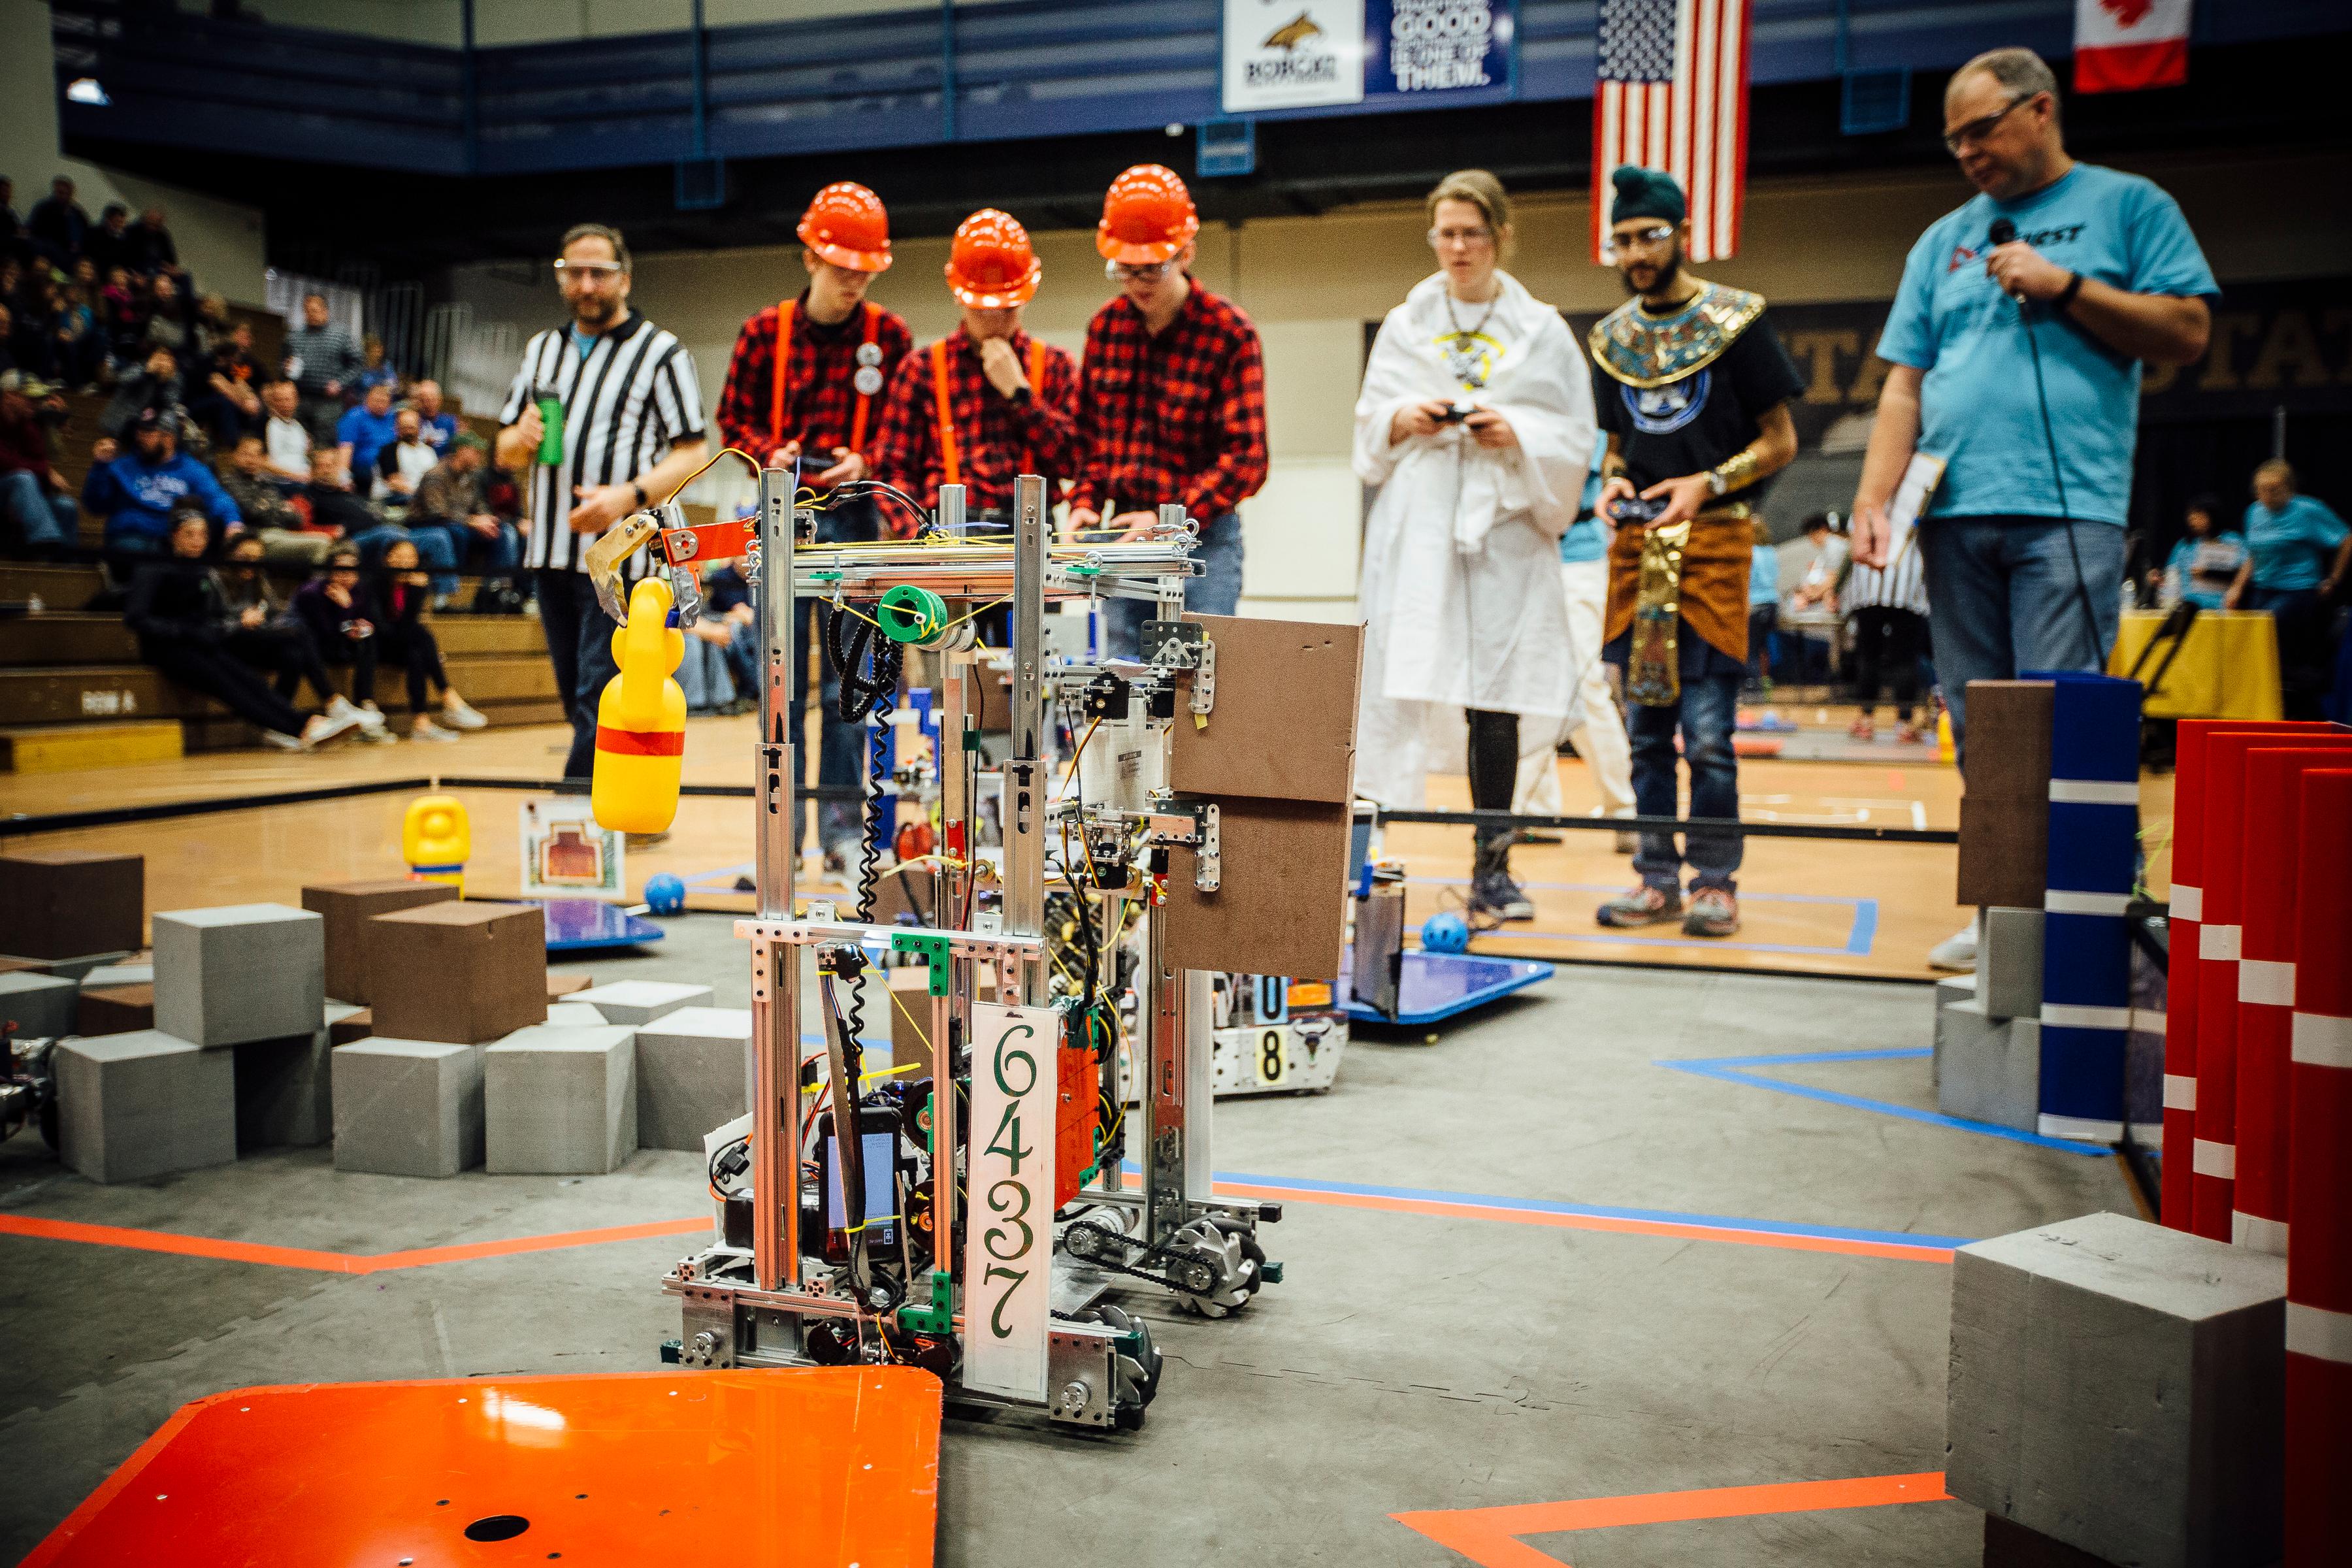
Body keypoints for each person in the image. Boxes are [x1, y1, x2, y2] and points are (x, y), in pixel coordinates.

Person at [1846, 48, 2217, 972]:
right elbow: (1904, 385)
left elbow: (2187, 332)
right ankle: (2004, 920)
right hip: (1953, 516)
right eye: (1954, 140)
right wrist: (1872, 498)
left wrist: (2069, 288)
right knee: (1978, 725)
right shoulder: (1944, 240)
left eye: (1982, 130)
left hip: (2069, 511)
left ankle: (2094, 920)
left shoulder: (2129, 206)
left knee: (2064, 724)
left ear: (2041, 110)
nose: (1967, 152)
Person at [1353, 170, 1596, 921]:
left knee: (1497, 696)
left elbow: (1575, 431)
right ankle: (1371, 864)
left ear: (1500, 238)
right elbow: (1370, 422)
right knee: (1394, 686)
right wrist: (1404, 418)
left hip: (1504, 533)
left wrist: (1515, 430)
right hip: (1419, 530)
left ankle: (1494, 869)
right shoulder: (1407, 321)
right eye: (1446, 233)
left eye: (1473, 234)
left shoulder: (1541, 329)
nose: (1458, 248)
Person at [1589, 165, 1804, 939]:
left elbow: (1780, 442)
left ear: (1682, 234)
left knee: (1709, 738)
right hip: (1638, 554)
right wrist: (1613, 484)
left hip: (1713, 552)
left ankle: (1715, 881)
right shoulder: (1613, 341)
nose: (1636, 252)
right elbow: (1619, 447)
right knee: (1646, 735)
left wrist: (1705, 484)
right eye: (1622, 239)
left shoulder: (1737, 323)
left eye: (1649, 235)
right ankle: (1654, 880)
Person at [713, 184, 911, 860]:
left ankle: (837, 835)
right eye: (842, 268)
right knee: (782, 687)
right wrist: (768, 455)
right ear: (809, 257)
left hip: (858, 520)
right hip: (782, 518)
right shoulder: (763, 333)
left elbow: (903, 434)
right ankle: (784, 837)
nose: (854, 281)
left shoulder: (892, 337)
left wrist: (868, 459)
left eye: (865, 271)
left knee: (849, 689)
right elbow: (732, 423)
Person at [496, 222, 708, 779]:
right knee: (574, 689)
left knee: (600, 685)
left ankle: (580, 822)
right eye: (574, 273)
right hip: (549, 550)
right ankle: (613, 802)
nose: (586, 285)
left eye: (599, 273)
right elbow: (503, 449)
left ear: (625, 278)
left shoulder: (661, 351)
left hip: (620, 555)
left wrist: (627, 497)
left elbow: (694, 451)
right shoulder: (543, 348)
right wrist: (516, 441)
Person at [1070, 164, 1268, 657]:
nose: (1137, 282)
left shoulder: (1229, 333)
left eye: (1152, 268)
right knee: (1123, 685)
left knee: (1196, 687)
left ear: (1186, 253)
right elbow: (1093, 441)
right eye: (1125, 269)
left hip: (1201, 542)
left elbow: (1248, 459)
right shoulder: (1106, 329)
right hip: (1123, 544)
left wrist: (1167, 519)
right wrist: (1086, 501)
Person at [874, 208, 1080, 540]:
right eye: (983, 309)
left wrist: (1021, 395)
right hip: (942, 531)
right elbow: (890, 467)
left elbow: (1075, 463)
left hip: (1032, 535)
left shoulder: (1055, 366)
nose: (996, 320)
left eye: (1008, 308)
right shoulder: (921, 369)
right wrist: (917, 535)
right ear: (958, 294)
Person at [125, 512, 356, 752]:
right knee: (228, 685)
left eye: (202, 535)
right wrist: (184, 631)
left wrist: (204, 632)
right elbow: (136, 618)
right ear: (174, 537)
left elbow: (209, 615)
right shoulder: (152, 567)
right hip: (167, 648)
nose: (197, 541)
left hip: (200, 642)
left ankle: (306, 723)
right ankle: (298, 728)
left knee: (249, 679)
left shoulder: (200, 570)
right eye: (189, 535)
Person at [293, 538, 487, 742]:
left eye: (410, 558)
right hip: (340, 647)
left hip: (376, 644)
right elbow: (336, 632)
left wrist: (416, 593)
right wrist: (347, 608)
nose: (346, 576)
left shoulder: (396, 587)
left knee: (417, 652)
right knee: (410, 635)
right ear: (387, 559)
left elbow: (401, 627)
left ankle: (422, 723)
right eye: (400, 557)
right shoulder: (330, 590)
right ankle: (444, 698)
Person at [2226, 460, 2348, 720]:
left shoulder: (2308, 510)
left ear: (2289, 489)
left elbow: (2346, 538)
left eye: (2274, 489)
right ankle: (2255, 703)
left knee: (2267, 625)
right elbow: (2253, 554)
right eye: (2261, 490)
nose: (2267, 496)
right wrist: (2236, 587)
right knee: (2247, 634)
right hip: (2263, 587)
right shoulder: (2254, 512)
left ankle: (2285, 708)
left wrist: (2333, 579)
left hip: (2298, 589)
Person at [211, 531, 358, 723]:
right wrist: (240, 621)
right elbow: (209, 624)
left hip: (257, 637)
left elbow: (273, 613)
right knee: (299, 633)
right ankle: (331, 699)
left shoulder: (259, 578)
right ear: (230, 555)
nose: (251, 564)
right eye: (245, 557)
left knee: (294, 656)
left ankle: (275, 721)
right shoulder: (215, 579)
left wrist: (348, 612)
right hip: (229, 638)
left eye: (256, 559)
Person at [82, 407, 240, 555]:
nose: (140, 437)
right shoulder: (122, 465)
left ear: (169, 437)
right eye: (139, 431)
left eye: (148, 433)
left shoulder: (191, 468)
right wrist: (100, 467)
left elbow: (217, 497)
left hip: (175, 538)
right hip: (132, 536)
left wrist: (233, 522)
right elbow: (95, 506)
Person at [1843, 521, 1932, 743]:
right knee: (1904, 658)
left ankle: (1866, 720)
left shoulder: (1867, 506)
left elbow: (1853, 545)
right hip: (1907, 588)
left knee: (1869, 654)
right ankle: (1905, 723)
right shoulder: (1918, 499)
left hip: (1869, 587)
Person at [409, 431, 520, 604]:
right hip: (428, 526)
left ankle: (496, 588)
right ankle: (451, 591)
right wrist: (472, 521)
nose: (480, 456)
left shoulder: (470, 478)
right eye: (475, 451)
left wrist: (487, 520)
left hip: (462, 526)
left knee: (504, 532)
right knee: (457, 532)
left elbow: (481, 505)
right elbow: (437, 512)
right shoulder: (436, 475)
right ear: (461, 451)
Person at [1, 372, 76, 553]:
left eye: (39, 399)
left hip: (19, 494)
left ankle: (65, 568)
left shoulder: (28, 425)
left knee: (66, 506)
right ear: (10, 396)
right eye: (30, 398)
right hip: (6, 489)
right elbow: (5, 462)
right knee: (23, 478)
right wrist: (45, 471)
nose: (37, 404)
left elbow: (40, 463)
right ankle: (46, 540)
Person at [283, 291, 363, 440]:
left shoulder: (341, 334)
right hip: (300, 396)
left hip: (329, 400)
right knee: (298, 438)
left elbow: (358, 365)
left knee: (324, 439)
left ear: (325, 311)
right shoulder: (294, 336)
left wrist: (341, 383)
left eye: (315, 310)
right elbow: (283, 363)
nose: (311, 314)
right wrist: (286, 368)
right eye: (307, 311)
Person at [2151, 493, 2242, 610]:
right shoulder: (2184, 545)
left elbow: (2243, 570)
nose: (2193, 520)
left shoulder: (2232, 540)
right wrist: (2159, 578)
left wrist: (2209, 572)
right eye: (2191, 516)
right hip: (2187, 606)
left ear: (2212, 515)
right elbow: (2171, 574)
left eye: (2199, 515)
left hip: (2222, 605)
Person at [336, 381, 399, 489]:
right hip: (364, 471)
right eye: (377, 400)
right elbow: (346, 448)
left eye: (384, 401)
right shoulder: (354, 417)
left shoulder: (393, 417)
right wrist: (343, 478)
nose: (380, 404)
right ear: (367, 399)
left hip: (390, 469)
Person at [1745, 519, 1780, 691]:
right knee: (1763, 645)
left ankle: (1753, 684)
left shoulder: (1750, 552)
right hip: (1772, 603)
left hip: (1755, 604)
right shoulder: (1770, 552)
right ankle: (1766, 681)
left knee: (1750, 647)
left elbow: (1748, 581)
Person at [25, 178, 87, 268]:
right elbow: (34, 229)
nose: (64, 196)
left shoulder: (77, 213)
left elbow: (86, 231)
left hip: (74, 253)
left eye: (67, 193)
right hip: (51, 247)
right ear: (55, 192)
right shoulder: (44, 208)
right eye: (61, 193)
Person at [261, 378, 311, 485]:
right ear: (273, 402)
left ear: (296, 400)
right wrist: (297, 476)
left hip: (304, 478)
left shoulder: (299, 426)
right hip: (283, 483)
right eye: (279, 400)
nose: (284, 404)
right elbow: (264, 462)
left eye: (288, 399)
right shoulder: (268, 425)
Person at [410, 378, 458, 456]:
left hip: (442, 464)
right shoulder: (413, 420)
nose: (429, 404)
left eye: (433, 400)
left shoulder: (450, 422)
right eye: (424, 400)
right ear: (419, 401)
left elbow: (453, 451)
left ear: (440, 400)